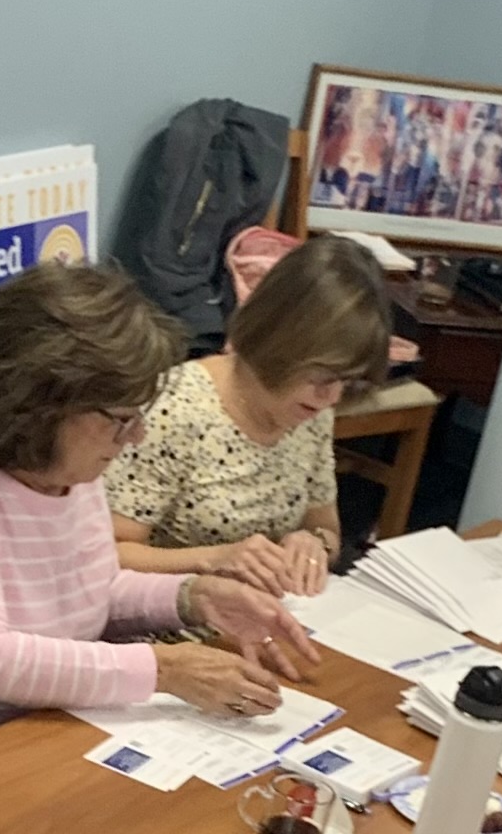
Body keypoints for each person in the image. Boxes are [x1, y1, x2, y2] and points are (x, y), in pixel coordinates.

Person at [0, 263, 320, 777]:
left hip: (35, 731)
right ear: (41, 405)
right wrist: (164, 669)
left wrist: (193, 598)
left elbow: (85, 593)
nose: (135, 437)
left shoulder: (64, 457)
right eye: (121, 419)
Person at [106, 234, 391, 597]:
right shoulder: (176, 407)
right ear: (279, 341)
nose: (331, 397)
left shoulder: (311, 413)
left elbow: (327, 530)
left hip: (268, 614)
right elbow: (111, 555)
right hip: (176, 626)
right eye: (322, 375)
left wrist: (312, 544)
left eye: (347, 382)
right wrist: (215, 558)